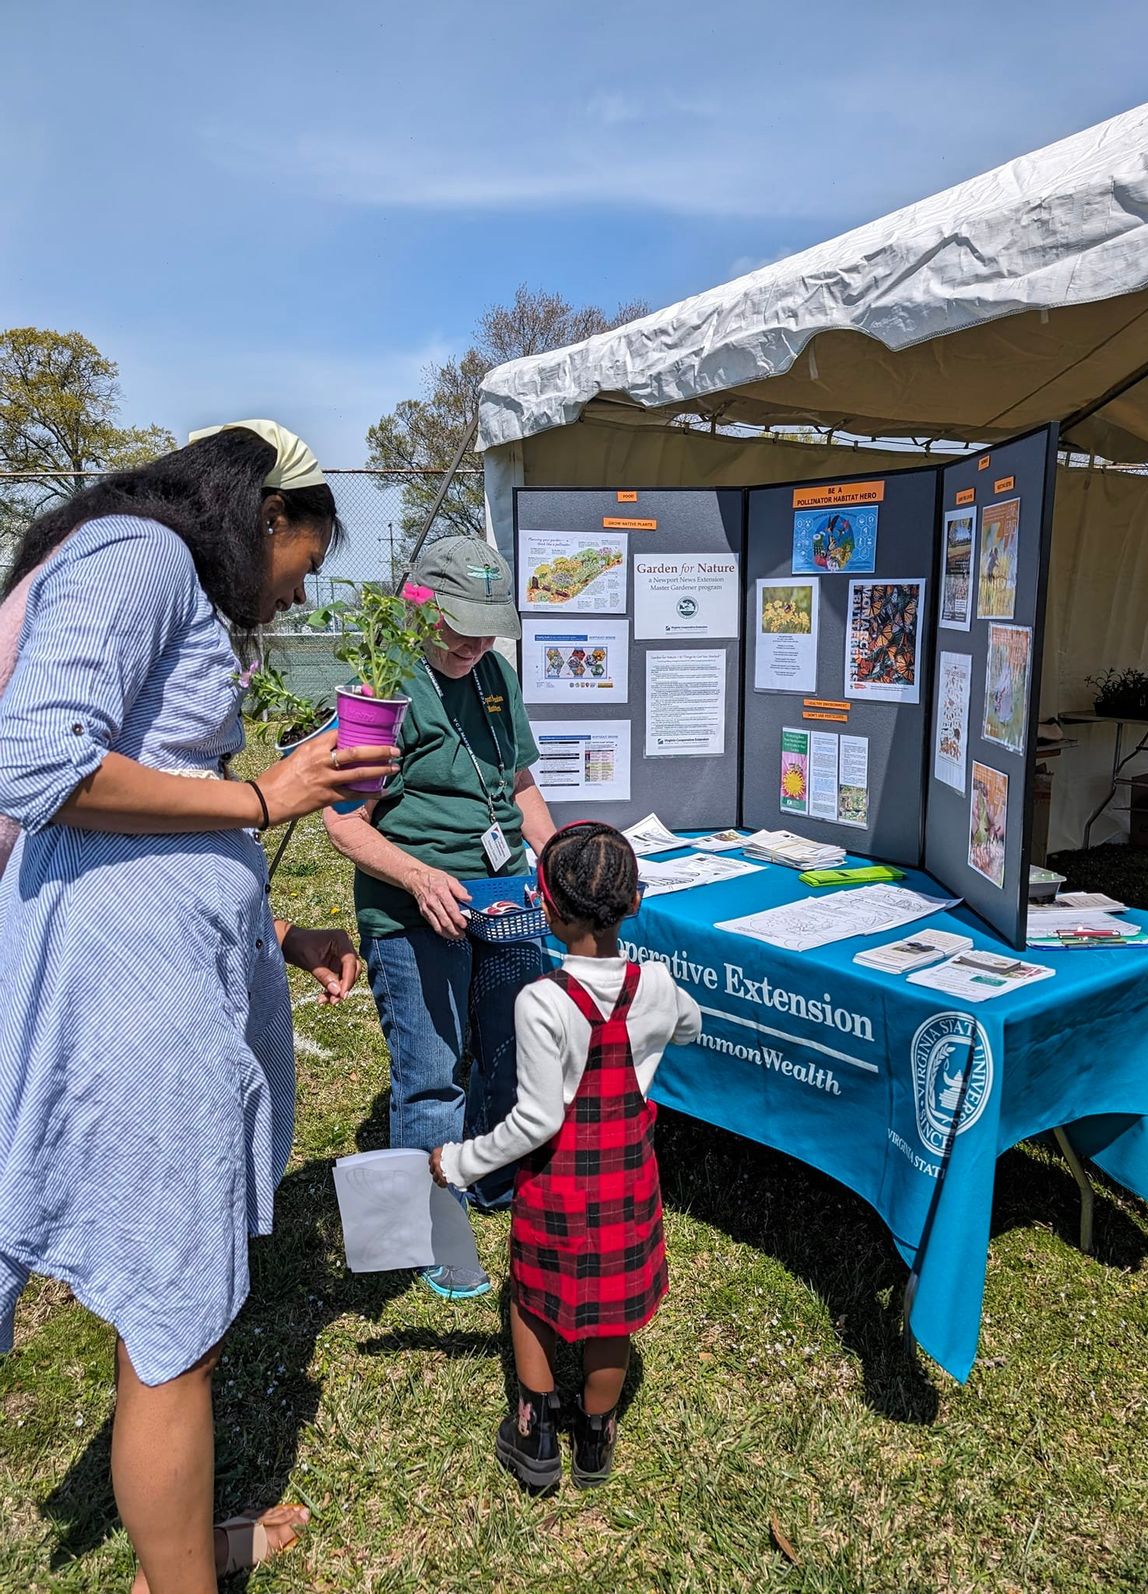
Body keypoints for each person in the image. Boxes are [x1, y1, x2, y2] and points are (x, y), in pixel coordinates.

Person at [0, 420, 401, 1594]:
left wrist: (280, 934)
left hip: (162, 973)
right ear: (270, 515)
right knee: (171, 1324)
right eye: (310, 561)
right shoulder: (141, 554)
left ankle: (176, 1541)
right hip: (131, 1007)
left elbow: (135, 829)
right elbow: (36, 763)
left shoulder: (152, 567)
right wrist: (264, 793)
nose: (298, 592)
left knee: (186, 1314)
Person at [431, 822, 701, 1492]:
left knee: (530, 1299)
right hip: (628, 1183)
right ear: (634, 901)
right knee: (613, 1315)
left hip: (557, 1186)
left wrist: (461, 1163)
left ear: (545, 908)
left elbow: (538, 1119)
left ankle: (534, 1431)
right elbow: (693, 1025)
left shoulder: (542, 1000)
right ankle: (596, 1436)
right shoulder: (658, 987)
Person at [325, 535, 556, 1300]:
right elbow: (344, 823)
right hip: (415, 906)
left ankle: (491, 1182)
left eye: (489, 626)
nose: (476, 642)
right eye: (461, 624)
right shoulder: (382, 687)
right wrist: (419, 877)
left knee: (509, 1052)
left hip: (503, 899)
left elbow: (518, 782)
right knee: (430, 1076)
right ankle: (433, 1230)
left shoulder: (493, 672)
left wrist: (552, 858)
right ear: (418, 603)